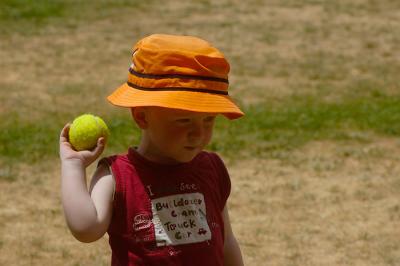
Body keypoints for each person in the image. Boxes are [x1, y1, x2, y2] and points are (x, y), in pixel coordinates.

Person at [59, 34, 244, 266]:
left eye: (208, 120)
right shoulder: (118, 176)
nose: (198, 133)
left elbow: (226, 241)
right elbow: (85, 228)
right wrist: (73, 165)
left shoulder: (212, 169)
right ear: (142, 116)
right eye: (184, 120)